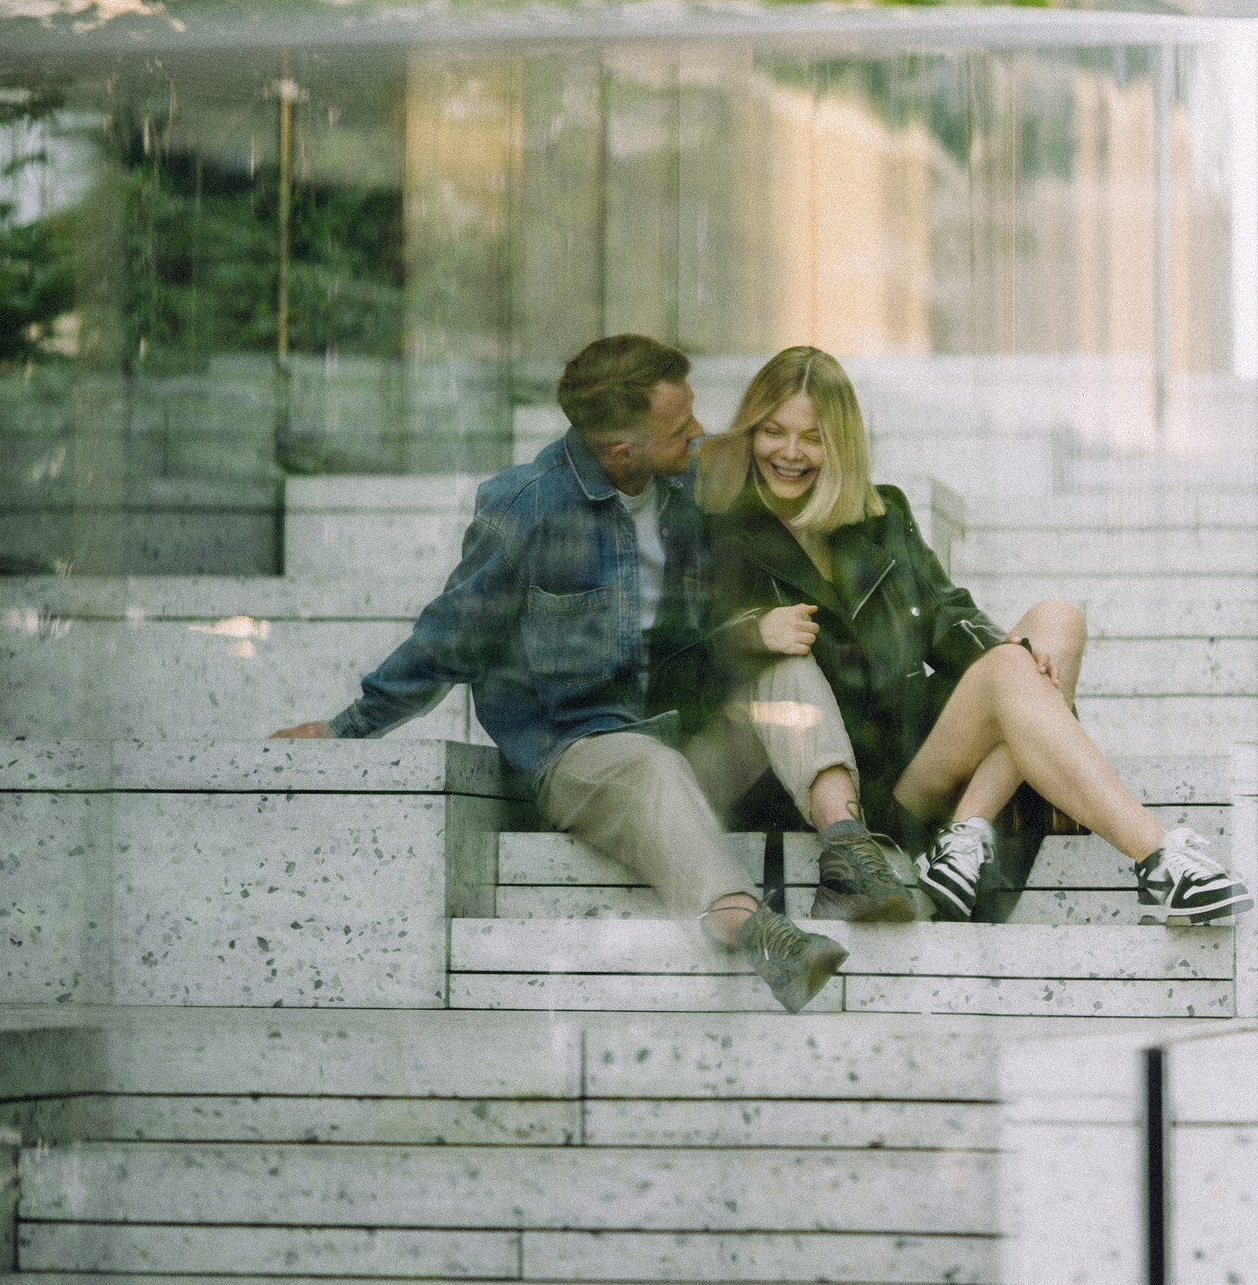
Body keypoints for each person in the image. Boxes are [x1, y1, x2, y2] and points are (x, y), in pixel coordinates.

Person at [272, 334, 873, 1013]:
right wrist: (345, 729)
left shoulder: (684, 479)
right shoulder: (530, 507)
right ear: (623, 451)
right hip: (580, 756)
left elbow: (787, 463)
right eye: (681, 429)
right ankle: (748, 923)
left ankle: (850, 851)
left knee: (780, 670)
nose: (700, 435)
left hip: (685, 741)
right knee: (647, 766)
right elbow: (448, 639)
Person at [674, 346, 1252, 925]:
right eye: (774, 432)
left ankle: (964, 837)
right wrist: (751, 632)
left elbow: (948, 617)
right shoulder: (716, 523)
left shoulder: (882, 514)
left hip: (910, 751)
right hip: (826, 778)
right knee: (1011, 670)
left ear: (841, 443)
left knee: (1057, 621)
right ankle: (1157, 856)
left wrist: (1019, 660)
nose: (792, 453)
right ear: (752, 430)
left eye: (814, 437)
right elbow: (671, 666)